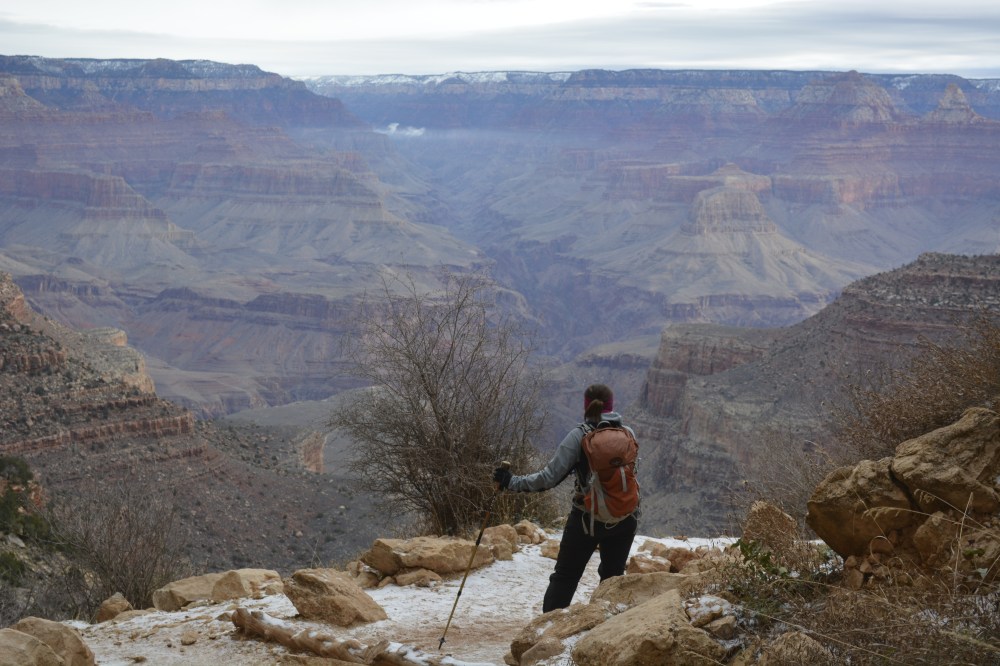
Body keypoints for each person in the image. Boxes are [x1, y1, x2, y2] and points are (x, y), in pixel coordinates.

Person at [493, 383, 639, 612]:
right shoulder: (629, 433)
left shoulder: (579, 436)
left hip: (586, 520)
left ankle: (546, 633)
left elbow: (548, 478)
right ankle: (606, 633)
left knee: (565, 577)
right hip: (625, 519)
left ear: (586, 405)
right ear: (612, 406)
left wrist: (511, 481)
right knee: (612, 579)